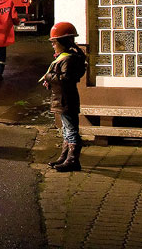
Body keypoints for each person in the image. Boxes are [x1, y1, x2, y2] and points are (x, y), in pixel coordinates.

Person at [40, 21, 88, 172]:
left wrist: (49, 76)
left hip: (66, 100)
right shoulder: (65, 57)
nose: (52, 45)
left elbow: (65, 79)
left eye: (54, 42)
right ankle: (65, 156)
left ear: (62, 42)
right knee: (67, 130)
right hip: (62, 99)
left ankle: (72, 160)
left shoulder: (68, 59)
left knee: (71, 130)